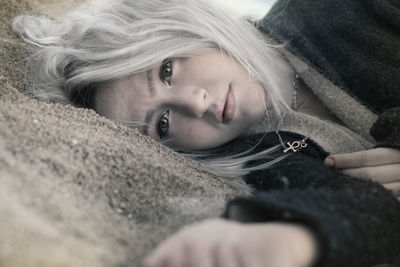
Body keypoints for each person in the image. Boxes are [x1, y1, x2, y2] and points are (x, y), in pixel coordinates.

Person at [12, 0, 400, 266]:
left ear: (185, 25)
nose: (195, 104)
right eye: (162, 123)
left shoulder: (339, 11)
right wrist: (291, 239)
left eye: (167, 70)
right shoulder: (260, 158)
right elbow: (367, 210)